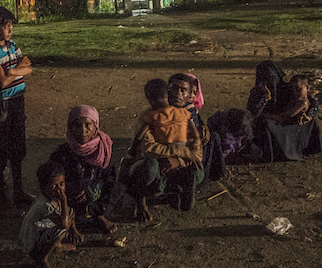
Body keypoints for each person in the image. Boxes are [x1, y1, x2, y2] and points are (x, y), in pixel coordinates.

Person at [120, 78, 203, 222]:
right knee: (150, 167)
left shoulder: (181, 115)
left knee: (197, 171)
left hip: (175, 164)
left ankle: (170, 191)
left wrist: (179, 160)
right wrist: (182, 153)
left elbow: (196, 148)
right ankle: (141, 200)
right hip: (157, 165)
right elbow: (147, 147)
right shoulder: (149, 117)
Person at [0, 5, 34, 206]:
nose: (10, 30)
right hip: (3, 105)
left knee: (17, 148)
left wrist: (11, 71)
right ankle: (2, 197)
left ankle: (18, 191)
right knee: (1, 151)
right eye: (6, 26)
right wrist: (17, 69)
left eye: (11, 25)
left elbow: (29, 68)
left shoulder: (12, 46)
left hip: (17, 101)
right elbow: (2, 82)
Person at [48, 105, 118, 236]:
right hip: (72, 199)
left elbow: (109, 179)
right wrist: (73, 189)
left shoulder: (103, 150)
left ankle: (99, 216)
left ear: (95, 126)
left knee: (116, 191)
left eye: (88, 125)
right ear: (70, 127)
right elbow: (51, 180)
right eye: (77, 125)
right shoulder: (61, 154)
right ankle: (74, 222)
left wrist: (92, 190)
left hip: (96, 197)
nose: (83, 130)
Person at [246, 61, 322, 161]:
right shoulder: (258, 92)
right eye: (266, 77)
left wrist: (310, 114)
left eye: (272, 75)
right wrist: (264, 97)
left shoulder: (287, 88)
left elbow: (312, 101)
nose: (270, 80)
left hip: (284, 121)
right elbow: (252, 114)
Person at [18, 161, 81, 268]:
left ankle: (57, 245)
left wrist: (74, 231)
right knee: (60, 230)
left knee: (69, 211)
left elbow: (69, 214)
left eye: (62, 184)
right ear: (43, 187)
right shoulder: (45, 205)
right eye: (53, 186)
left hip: (42, 230)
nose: (59, 190)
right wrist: (64, 200)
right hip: (31, 243)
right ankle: (41, 259)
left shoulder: (54, 198)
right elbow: (64, 224)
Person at [169, 72, 224, 181]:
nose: (179, 93)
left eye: (183, 90)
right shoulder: (164, 110)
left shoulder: (190, 109)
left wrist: (203, 130)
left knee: (212, 138)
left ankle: (209, 174)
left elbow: (197, 123)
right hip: (177, 151)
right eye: (175, 88)